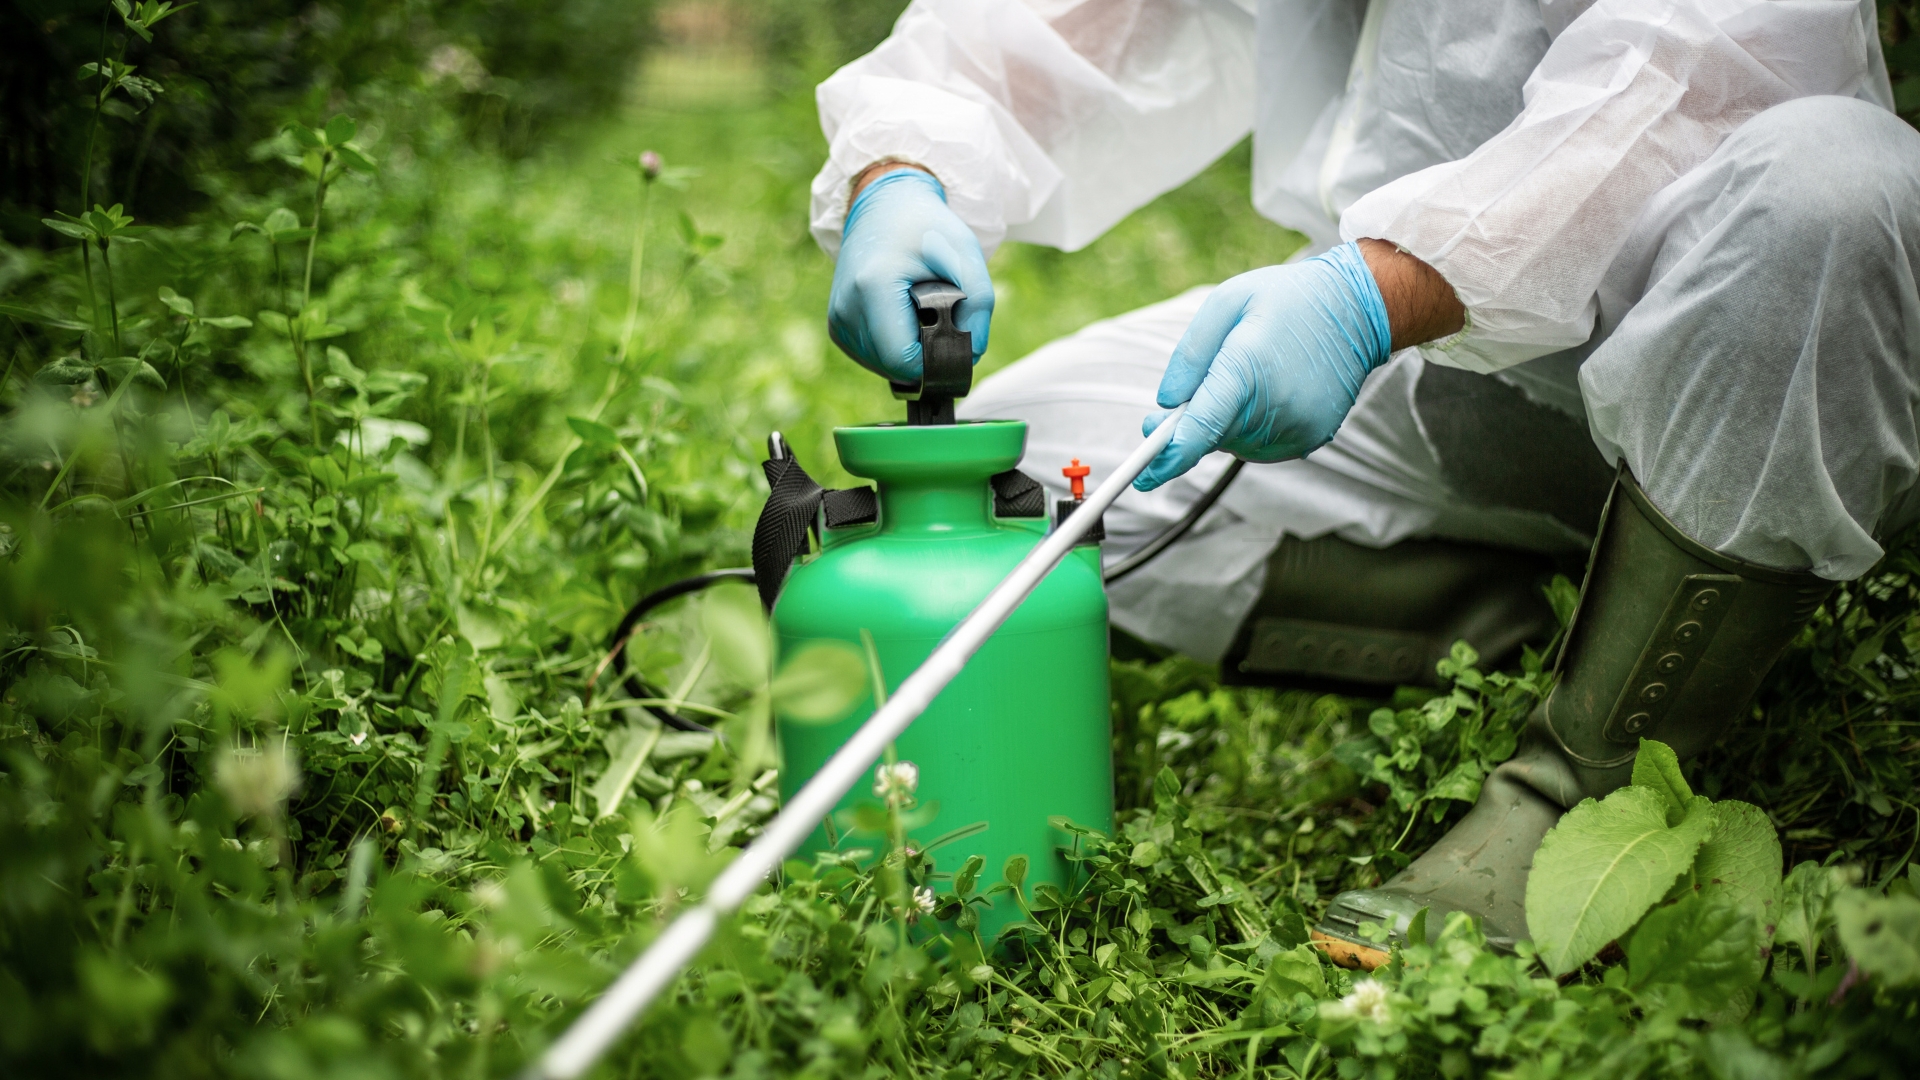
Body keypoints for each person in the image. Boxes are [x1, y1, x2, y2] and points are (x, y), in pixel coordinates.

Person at [810, 0, 1920, 968]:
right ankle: (1554, 620)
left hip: (1744, 344)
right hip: (1444, 361)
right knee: (1040, 487)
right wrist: (901, 172)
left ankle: (1578, 785)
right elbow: (1047, 24)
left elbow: (1715, 66)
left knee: (1830, 184)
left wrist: (1369, 297)